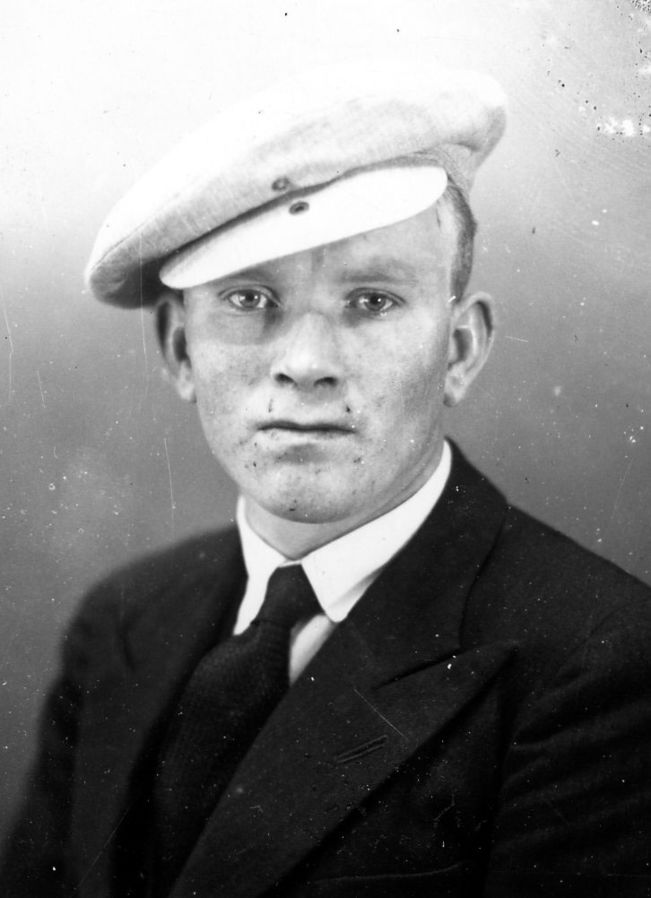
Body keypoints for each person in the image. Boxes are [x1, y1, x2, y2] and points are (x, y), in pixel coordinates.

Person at [1, 59, 650, 898]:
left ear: (459, 350)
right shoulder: (124, 617)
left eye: (371, 300)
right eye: (248, 300)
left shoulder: (598, 662)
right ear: (178, 348)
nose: (305, 364)